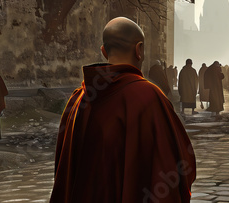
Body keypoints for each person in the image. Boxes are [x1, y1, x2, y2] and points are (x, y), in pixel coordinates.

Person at [51, 17, 196, 202]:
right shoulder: (150, 97)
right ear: (139, 50)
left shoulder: (77, 100)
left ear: (103, 51)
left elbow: (63, 172)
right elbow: (177, 164)